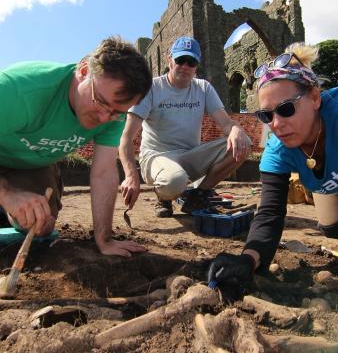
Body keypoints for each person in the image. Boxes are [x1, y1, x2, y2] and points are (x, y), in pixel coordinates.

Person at [208, 42, 338, 288]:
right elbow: (270, 213)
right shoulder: (277, 149)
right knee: (336, 227)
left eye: (286, 109)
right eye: (267, 115)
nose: (276, 125)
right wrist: (248, 259)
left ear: (315, 97)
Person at [0, 36, 152, 257]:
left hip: (30, 166)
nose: (103, 117)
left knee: (40, 224)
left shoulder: (113, 115)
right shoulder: (19, 89)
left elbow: (103, 172)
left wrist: (104, 239)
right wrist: (7, 194)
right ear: (82, 72)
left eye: (117, 112)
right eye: (100, 101)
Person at [119, 36, 251, 217]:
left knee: (244, 143)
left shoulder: (203, 88)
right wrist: (130, 175)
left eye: (191, 61)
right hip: (157, 157)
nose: (185, 66)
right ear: (170, 61)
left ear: (197, 65)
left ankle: (198, 195)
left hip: (190, 155)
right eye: (180, 60)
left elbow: (226, 123)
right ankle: (163, 197)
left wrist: (236, 130)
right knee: (176, 180)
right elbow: (126, 138)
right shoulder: (151, 88)